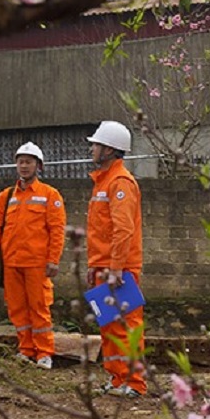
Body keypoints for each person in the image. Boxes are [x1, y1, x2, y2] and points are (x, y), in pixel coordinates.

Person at [0, 142, 66, 370]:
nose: (24, 166)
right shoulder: (6, 196)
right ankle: (26, 349)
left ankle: (44, 353)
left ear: (38, 166)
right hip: (11, 263)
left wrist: (53, 260)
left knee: (39, 308)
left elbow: (57, 230)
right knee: (17, 309)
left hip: (37, 264)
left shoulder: (50, 195)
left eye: (29, 162)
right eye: (21, 161)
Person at [86, 121, 146, 398]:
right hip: (105, 267)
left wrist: (116, 268)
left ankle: (134, 382)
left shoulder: (120, 183)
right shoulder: (104, 182)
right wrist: (94, 265)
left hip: (119, 270)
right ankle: (117, 378)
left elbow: (123, 230)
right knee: (109, 326)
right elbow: (101, 230)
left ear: (109, 149)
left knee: (126, 326)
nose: (92, 148)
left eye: (96, 145)